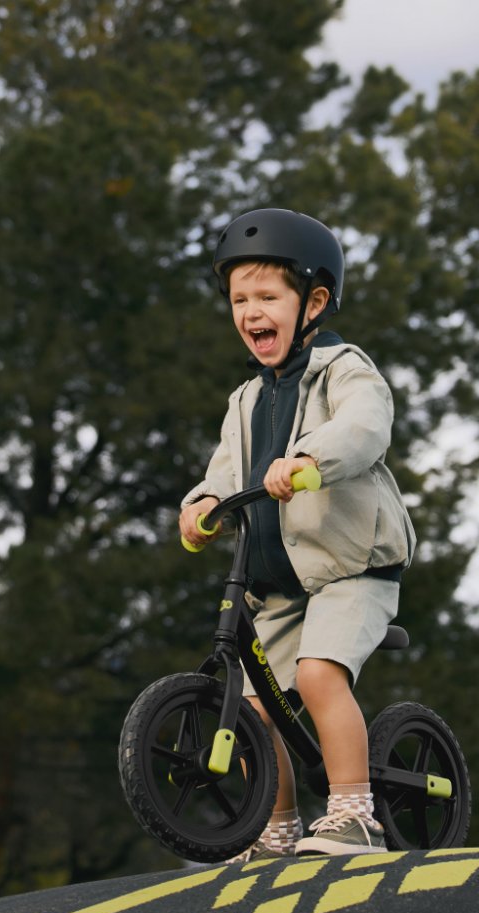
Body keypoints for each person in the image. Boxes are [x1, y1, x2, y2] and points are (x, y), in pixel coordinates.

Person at [179, 208, 416, 858]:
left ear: (312, 302)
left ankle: (355, 815)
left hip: (350, 570)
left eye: (267, 297)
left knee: (316, 676)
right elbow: (224, 470)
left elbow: (365, 427)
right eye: (239, 300)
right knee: (256, 708)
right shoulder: (245, 400)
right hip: (281, 586)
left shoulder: (343, 369)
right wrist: (202, 504)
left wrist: (312, 458)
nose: (251, 312)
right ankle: (275, 829)